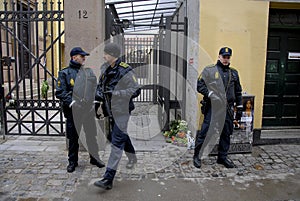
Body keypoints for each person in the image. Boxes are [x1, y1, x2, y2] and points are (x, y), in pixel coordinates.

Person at [94, 43, 140, 190]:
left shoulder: (125, 70)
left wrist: (117, 94)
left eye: (106, 54)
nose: (103, 56)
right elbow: (100, 86)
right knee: (121, 136)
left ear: (113, 55)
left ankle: (108, 178)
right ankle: (132, 157)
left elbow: (135, 90)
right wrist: (98, 100)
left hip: (122, 110)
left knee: (116, 141)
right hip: (110, 110)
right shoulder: (104, 68)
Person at [55, 47, 105, 173]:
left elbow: (95, 87)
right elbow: (60, 92)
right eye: (81, 55)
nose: (84, 57)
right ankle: (72, 162)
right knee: (73, 138)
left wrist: (95, 100)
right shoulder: (64, 73)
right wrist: (72, 103)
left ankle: (94, 158)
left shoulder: (88, 72)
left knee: (91, 136)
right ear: (73, 57)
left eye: (84, 56)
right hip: (73, 111)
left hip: (88, 110)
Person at [194, 47, 243, 169]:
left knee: (226, 133)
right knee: (206, 133)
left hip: (227, 109)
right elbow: (199, 85)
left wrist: (240, 107)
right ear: (219, 57)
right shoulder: (210, 70)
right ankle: (197, 156)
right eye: (223, 57)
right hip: (213, 107)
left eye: (228, 57)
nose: (225, 59)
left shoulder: (234, 73)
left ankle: (222, 157)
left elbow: (238, 91)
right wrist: (210, 94)